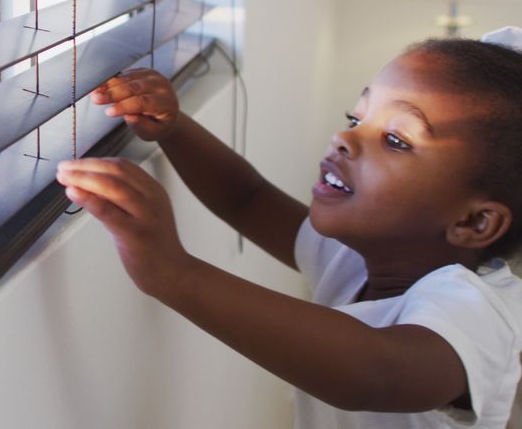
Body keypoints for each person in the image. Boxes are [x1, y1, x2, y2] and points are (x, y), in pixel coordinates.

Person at [55, 30, 522, 428]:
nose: (344, 137)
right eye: (356, 118)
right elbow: (247, 198)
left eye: (396, 140)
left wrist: (174, 274)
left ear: (473, 222)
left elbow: (377, 371)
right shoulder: (353, 256)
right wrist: (174, 129)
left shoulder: (478, 314)